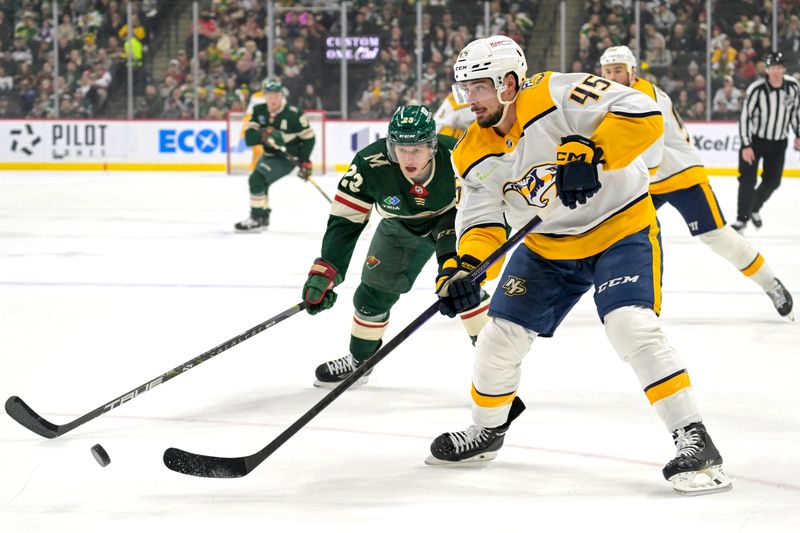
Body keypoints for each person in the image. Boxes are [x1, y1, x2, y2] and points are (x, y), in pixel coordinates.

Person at [429, 35, 731, 496]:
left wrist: (595, 150)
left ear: (509, 82)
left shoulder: (556, 93)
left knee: (631, 326)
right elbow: (483, 220)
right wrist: (466, 268)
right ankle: (487, 431)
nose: (469, 99)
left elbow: (642, 114)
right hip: (548, 246)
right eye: (464, 89)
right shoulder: (470, 151)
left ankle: (696, 440)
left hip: (619, 227)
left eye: (479, 87)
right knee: (497, 339)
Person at [301, 105, 490, 388]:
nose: (408, 158)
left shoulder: (458, 156)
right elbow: (346, 219)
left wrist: (469, 261)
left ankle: (495, 368)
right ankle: (359, 361)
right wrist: (328, 267)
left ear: (432, 145)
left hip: (451, 220)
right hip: (399, 226)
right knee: (371, 294)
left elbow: (489, 207)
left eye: (416, 150)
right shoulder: (369, 164)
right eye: (401, 149)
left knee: (460, 286)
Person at [599, 45, 793, 320]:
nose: (611, 76)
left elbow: (645, 149)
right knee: (613, 232)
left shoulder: (640, 97)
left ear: (632, 72)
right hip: (648, 179)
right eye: (607, 71)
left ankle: (771, 283)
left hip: (680, 174)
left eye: (618, 70)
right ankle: (636, 296)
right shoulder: (615, 95)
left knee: (717, 237)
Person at [234, 79, 315, 232]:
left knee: (256, 179)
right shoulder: (259, 111)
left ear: (281, 96)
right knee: (260, 182)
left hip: (287, 158)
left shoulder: (293, 114)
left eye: (276, 95)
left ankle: (255, 218)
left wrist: (305, 161)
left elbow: (309, 138)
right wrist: (263, 133)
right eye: (269, 96)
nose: (273, 99)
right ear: (265, 97)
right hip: (268, 155)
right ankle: (263, 216)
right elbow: (250, 139)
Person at [734, 51, 800, 231]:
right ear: (767, 70)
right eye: (772, 68)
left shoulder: (793, 87)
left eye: (779, 68)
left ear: (784, 69)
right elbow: (745, 117)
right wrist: (746, 145)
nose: (776, 72)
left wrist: (798, 134)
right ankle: (742, 218)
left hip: (779, 142)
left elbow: (795, 112)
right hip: (755, 142)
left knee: (773, 181)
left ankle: (754, 207)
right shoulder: (756, 89)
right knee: (747, 179)